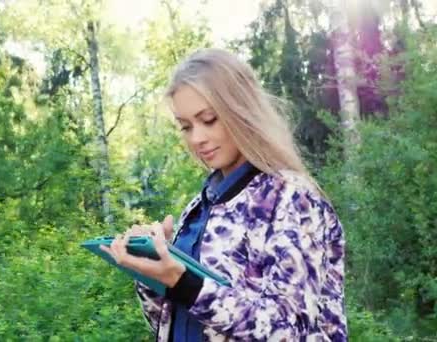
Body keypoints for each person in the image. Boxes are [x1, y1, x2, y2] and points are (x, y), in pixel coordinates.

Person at [100, 48, 347, 341]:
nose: (197, 138)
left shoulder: (291, 198)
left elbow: (288, 331)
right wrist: (152, 270)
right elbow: (167, 322)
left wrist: (185, 283)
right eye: (186, 126)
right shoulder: (202, 204)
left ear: (241, 110)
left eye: (209, 119)